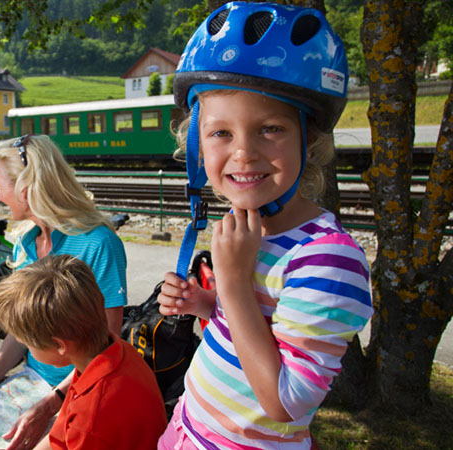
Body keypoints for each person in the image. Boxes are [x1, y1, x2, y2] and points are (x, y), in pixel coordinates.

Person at [156, 3, 374, 449]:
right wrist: (208, 304)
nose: (243, 153)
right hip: (188, 429)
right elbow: (255, 331)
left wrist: (233, 286)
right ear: (197, 142)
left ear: (308, 140)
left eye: (270, 128)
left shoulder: (329, 259)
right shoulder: (249, 229)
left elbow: (286, 404)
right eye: (221, 133)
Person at [0, 134, 128, 449]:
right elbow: (22, 329)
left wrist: (52, 404)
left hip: (79, 393)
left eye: (0, 186)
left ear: (27, 187)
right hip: (32, 386)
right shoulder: (26, 243)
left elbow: (108, 346)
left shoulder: (99, 244)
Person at [0, 254, 167, 450]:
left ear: (60, 346)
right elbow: (59, 436)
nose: (22, 344)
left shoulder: (91, 419)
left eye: (26, 342)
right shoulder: (111, 352)